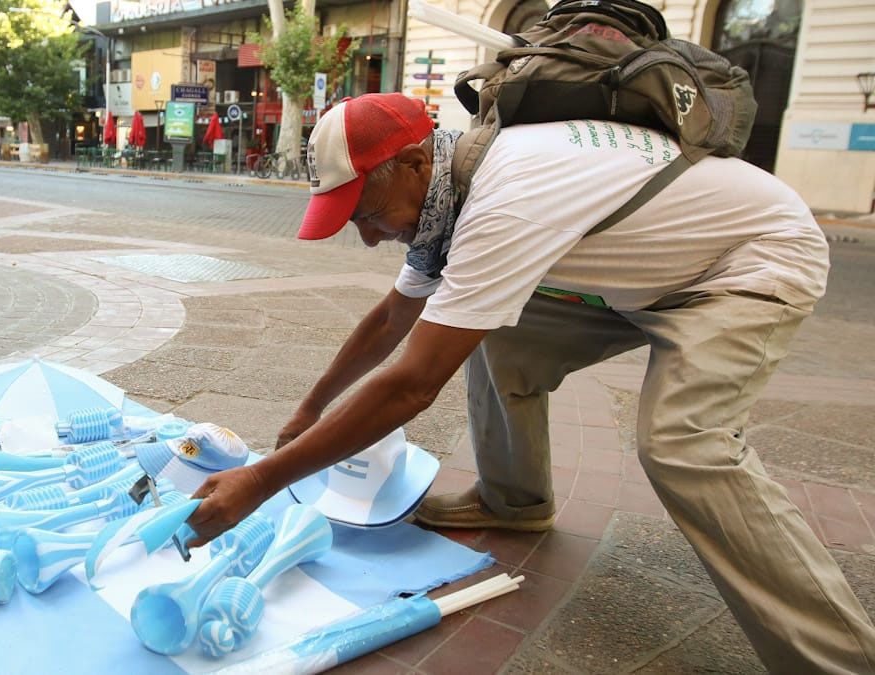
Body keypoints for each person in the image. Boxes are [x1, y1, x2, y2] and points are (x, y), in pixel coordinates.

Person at [187, 92, 875, 672]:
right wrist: (310, 408)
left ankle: (840, 656)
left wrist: (263, 479)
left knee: (683, 443)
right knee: (492, 325)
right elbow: (393, 317)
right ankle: (515, 500)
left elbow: (411, 385)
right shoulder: (446, 196)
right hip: (645, 273)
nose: (368, 238)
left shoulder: (503, 197)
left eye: (366, 215)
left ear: (415, 163)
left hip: (747, 262)